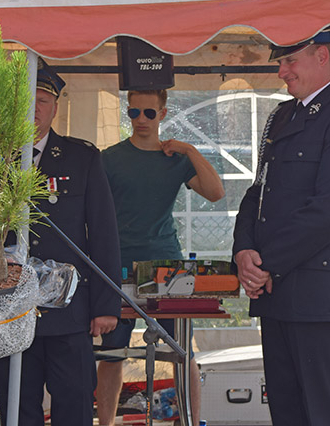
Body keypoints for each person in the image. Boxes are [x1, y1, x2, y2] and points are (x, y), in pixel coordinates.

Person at [232, 28, 330, 425]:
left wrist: (265, 264)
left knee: (326, 414)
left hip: (320, 296)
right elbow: (258, 191)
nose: (282, 71)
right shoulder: (282, 116)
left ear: (322, 56)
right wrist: (243, 250)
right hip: (277, 292)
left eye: (289, 60)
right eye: (280, 62)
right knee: (287, 412)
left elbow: (329, 212)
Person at [0, 63, 122, 425]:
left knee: (75, 407)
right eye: (25, 100)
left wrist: (106, 305)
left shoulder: (82, 159)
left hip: (69, 312)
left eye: (42, 100)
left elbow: (104, 234)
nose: (33, 109)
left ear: (55, 108)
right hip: (9, 311)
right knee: (17, 411)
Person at [96, 89, 225, 426]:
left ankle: (192, 421)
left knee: (183, 353)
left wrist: (190, 149)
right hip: (118, 264)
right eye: (134, 112)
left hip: (165, 266)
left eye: (149, 113)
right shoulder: (108, 159)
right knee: (111, 353)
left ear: (163, 114)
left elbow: (215, 193)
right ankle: (106, 423)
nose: (141, 120)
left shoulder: (177, 159)